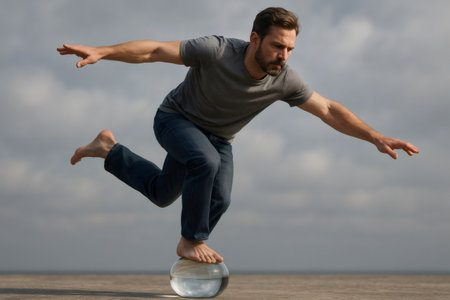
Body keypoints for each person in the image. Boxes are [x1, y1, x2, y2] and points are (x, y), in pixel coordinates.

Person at [57, 7, 419, 264]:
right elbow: (153, 50)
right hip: (176, 120)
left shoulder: (284, 80)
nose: (283, 55)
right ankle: (190, 241)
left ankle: (108, 149)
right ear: (254, 39)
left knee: (175, 194)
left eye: (290, 48)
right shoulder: (215, 50)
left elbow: (327, 109)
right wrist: (102, 51)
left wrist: (374, 135)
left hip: (216, 137)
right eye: (277, 45)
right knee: (205, 162)